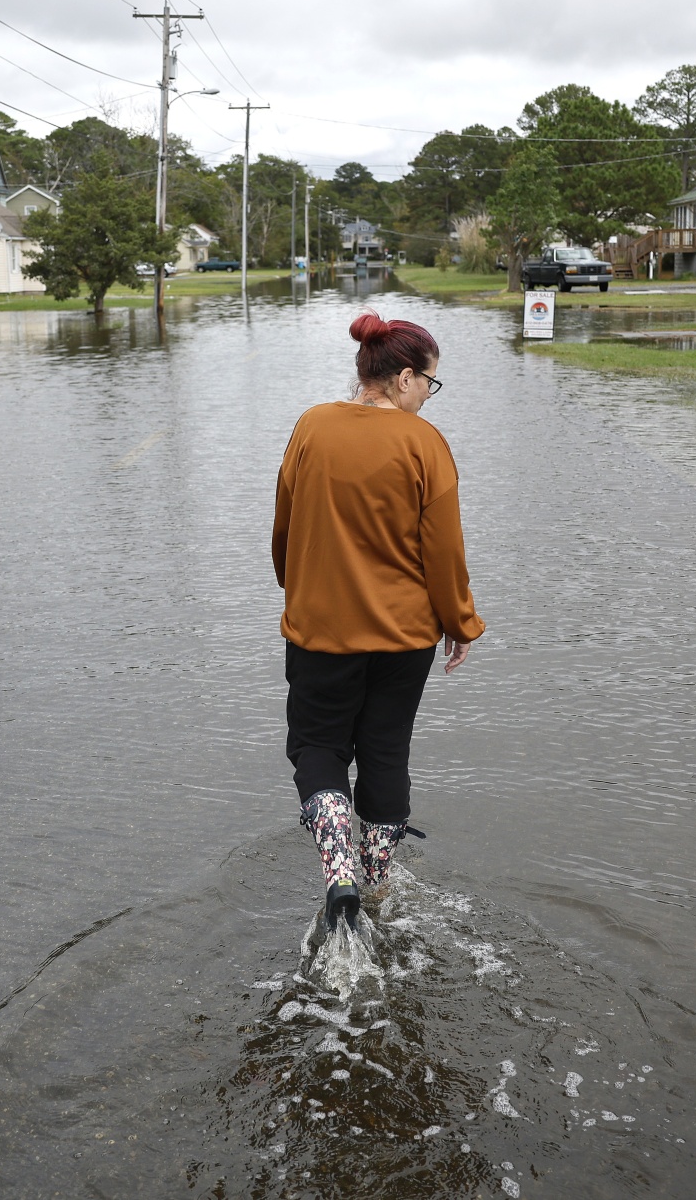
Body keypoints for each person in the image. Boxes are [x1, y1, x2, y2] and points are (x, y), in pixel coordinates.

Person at [271, 310, 485, 929]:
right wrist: (459, 621)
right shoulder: (426, 444)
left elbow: (285, 525)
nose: (428, 396)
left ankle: (335, 871)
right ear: (403, 379)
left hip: (320, 631)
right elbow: (443, 550)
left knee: (318, 747)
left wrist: (299, 586)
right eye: (430, 383)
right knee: (386, 751)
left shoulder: (311, 427)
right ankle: (376, 884)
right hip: (403, 636)